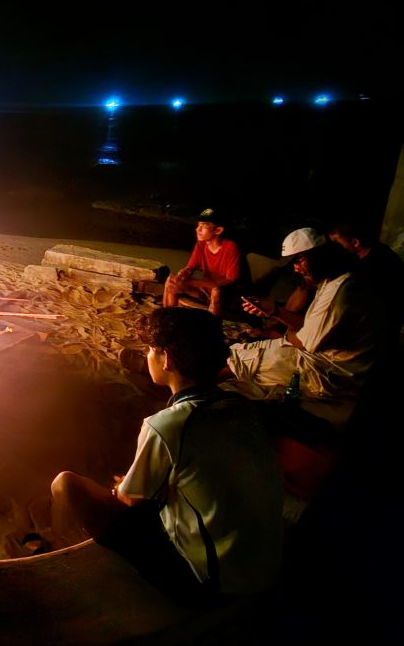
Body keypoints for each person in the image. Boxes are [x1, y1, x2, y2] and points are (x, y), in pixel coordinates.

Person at [51, 308, 283, 600]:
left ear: (167, 359)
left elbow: (129, 500)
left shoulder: (167, 425)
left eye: (150, 349)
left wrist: (121, 488)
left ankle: (61, 551)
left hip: (212, 582)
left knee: (66, 484)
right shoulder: (239, 405)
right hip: (262, 564)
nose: (146, 355)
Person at [233, 228, 385, 427]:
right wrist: (271, 311)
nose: (296, 268)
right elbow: (308, 327)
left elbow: (305, 342)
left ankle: (196, 391)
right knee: (243, 348)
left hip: (333, 372)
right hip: (319, 354)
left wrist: (275, 321)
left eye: (299, 261)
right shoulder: (330, 282)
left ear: (319, 255)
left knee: (245, 359)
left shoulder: (343, 289)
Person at [329, 219, 404, 341]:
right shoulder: (371, 253)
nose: (335, 248)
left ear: (355, 242)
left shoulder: (376, 265)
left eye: (337, 243)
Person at [163, 208, 244, 317]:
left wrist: (194, 282)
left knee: (216, 291)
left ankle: (212, 327)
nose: (198, 229)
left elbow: (230, 281)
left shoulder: (230, 247)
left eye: (204, 225)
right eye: (198, 225)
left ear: (218, 230)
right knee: (171, 281)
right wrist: (184, 273)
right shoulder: (201, 244)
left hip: (226, 297)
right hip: (205, 292)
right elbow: (191, 267)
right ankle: (167, 319)